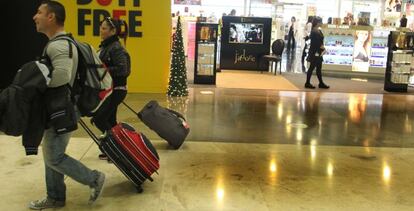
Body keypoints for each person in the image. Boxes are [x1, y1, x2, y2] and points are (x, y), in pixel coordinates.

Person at [30, 1, 105, 209]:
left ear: (51, 17)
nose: (35, 17)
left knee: (54, 155)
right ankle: (55, 197)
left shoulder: (59, 45)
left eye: (39, 13)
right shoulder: (60, 43)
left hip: (62, 109)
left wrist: (36, 85)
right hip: (59, 108)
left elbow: (61, 77)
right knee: (51, 152)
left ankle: (94, 178)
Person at [92, 17, 131, 160]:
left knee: (99, 119)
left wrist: (102, 69)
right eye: (101, 27)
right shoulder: (107, 46)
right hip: (110, 90)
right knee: (111, 121)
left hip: (116, 90)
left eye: (104, 28)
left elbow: (123, 70)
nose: (100, 31)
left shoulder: (115, 47)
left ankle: (117, 148)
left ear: (113, 31)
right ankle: (116, 150)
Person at [305, 16, 329, 89]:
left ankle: (320, 83)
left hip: (317, 52)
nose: (322, 23)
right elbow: (316, 43)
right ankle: (307, 83)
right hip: (316, 53)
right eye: (321, 22)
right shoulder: (315, 31)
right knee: (312, 67)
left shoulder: (316, 30)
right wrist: (322, 48)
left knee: (318, 68)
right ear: (318, 23)